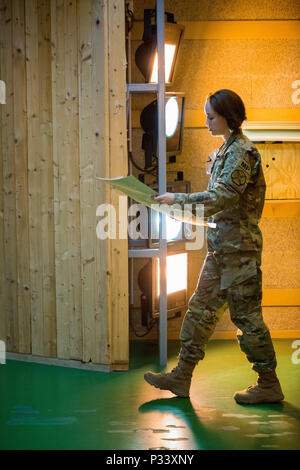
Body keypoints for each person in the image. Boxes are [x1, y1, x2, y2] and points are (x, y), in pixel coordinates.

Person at [144, 89, 284, 404]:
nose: (206, 122)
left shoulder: (241, 153)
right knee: (199, 312)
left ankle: (269, 383)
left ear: (227, 117)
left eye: (210, 116)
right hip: (221, 251)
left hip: (240, 254)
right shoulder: (225, 150)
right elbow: (219, 204)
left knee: (247, 319)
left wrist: (176, 200)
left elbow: (221, 198)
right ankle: (181, 376)